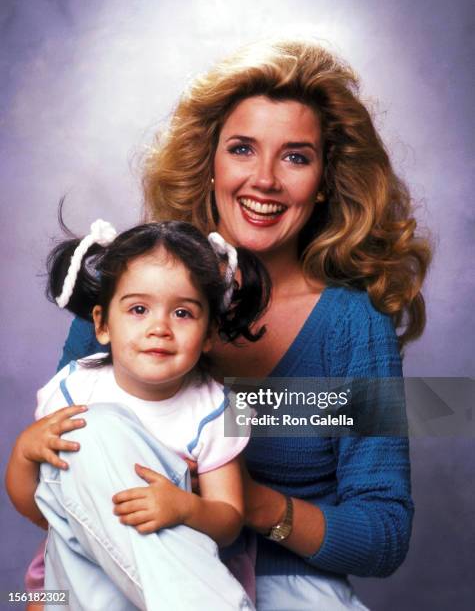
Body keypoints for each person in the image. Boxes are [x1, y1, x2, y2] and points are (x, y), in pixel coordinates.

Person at [15, 39, 432, 610]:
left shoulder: (352, 326)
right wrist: (52, 586)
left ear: (326, 181)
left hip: (289, 584)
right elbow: (62, 476)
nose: (264, 179)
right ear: (209, 163)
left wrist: (241, 506)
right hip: (115, 568)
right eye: (242, 149)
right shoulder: (130, 289)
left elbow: (383, 535)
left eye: (295, 156)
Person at [6, 219, 272, 609]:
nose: (159, 327)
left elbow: (230, 520)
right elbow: (41, 510)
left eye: (182, 313)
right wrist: (23, 453)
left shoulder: (212, 409)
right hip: (81, 569)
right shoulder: (76, 389)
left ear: (210, 332)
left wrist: (186, 507)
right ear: (102, 324)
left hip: (168, 577)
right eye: (138, 309)